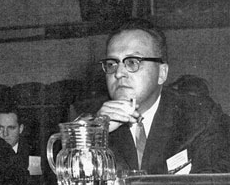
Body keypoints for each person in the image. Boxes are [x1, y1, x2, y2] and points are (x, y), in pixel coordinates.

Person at [96, 18, 230, 174]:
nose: (118, 73)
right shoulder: (87, 119)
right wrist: (95, 134)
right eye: (112, 64)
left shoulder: (201, 117)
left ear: (162, 73)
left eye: (132, 62)